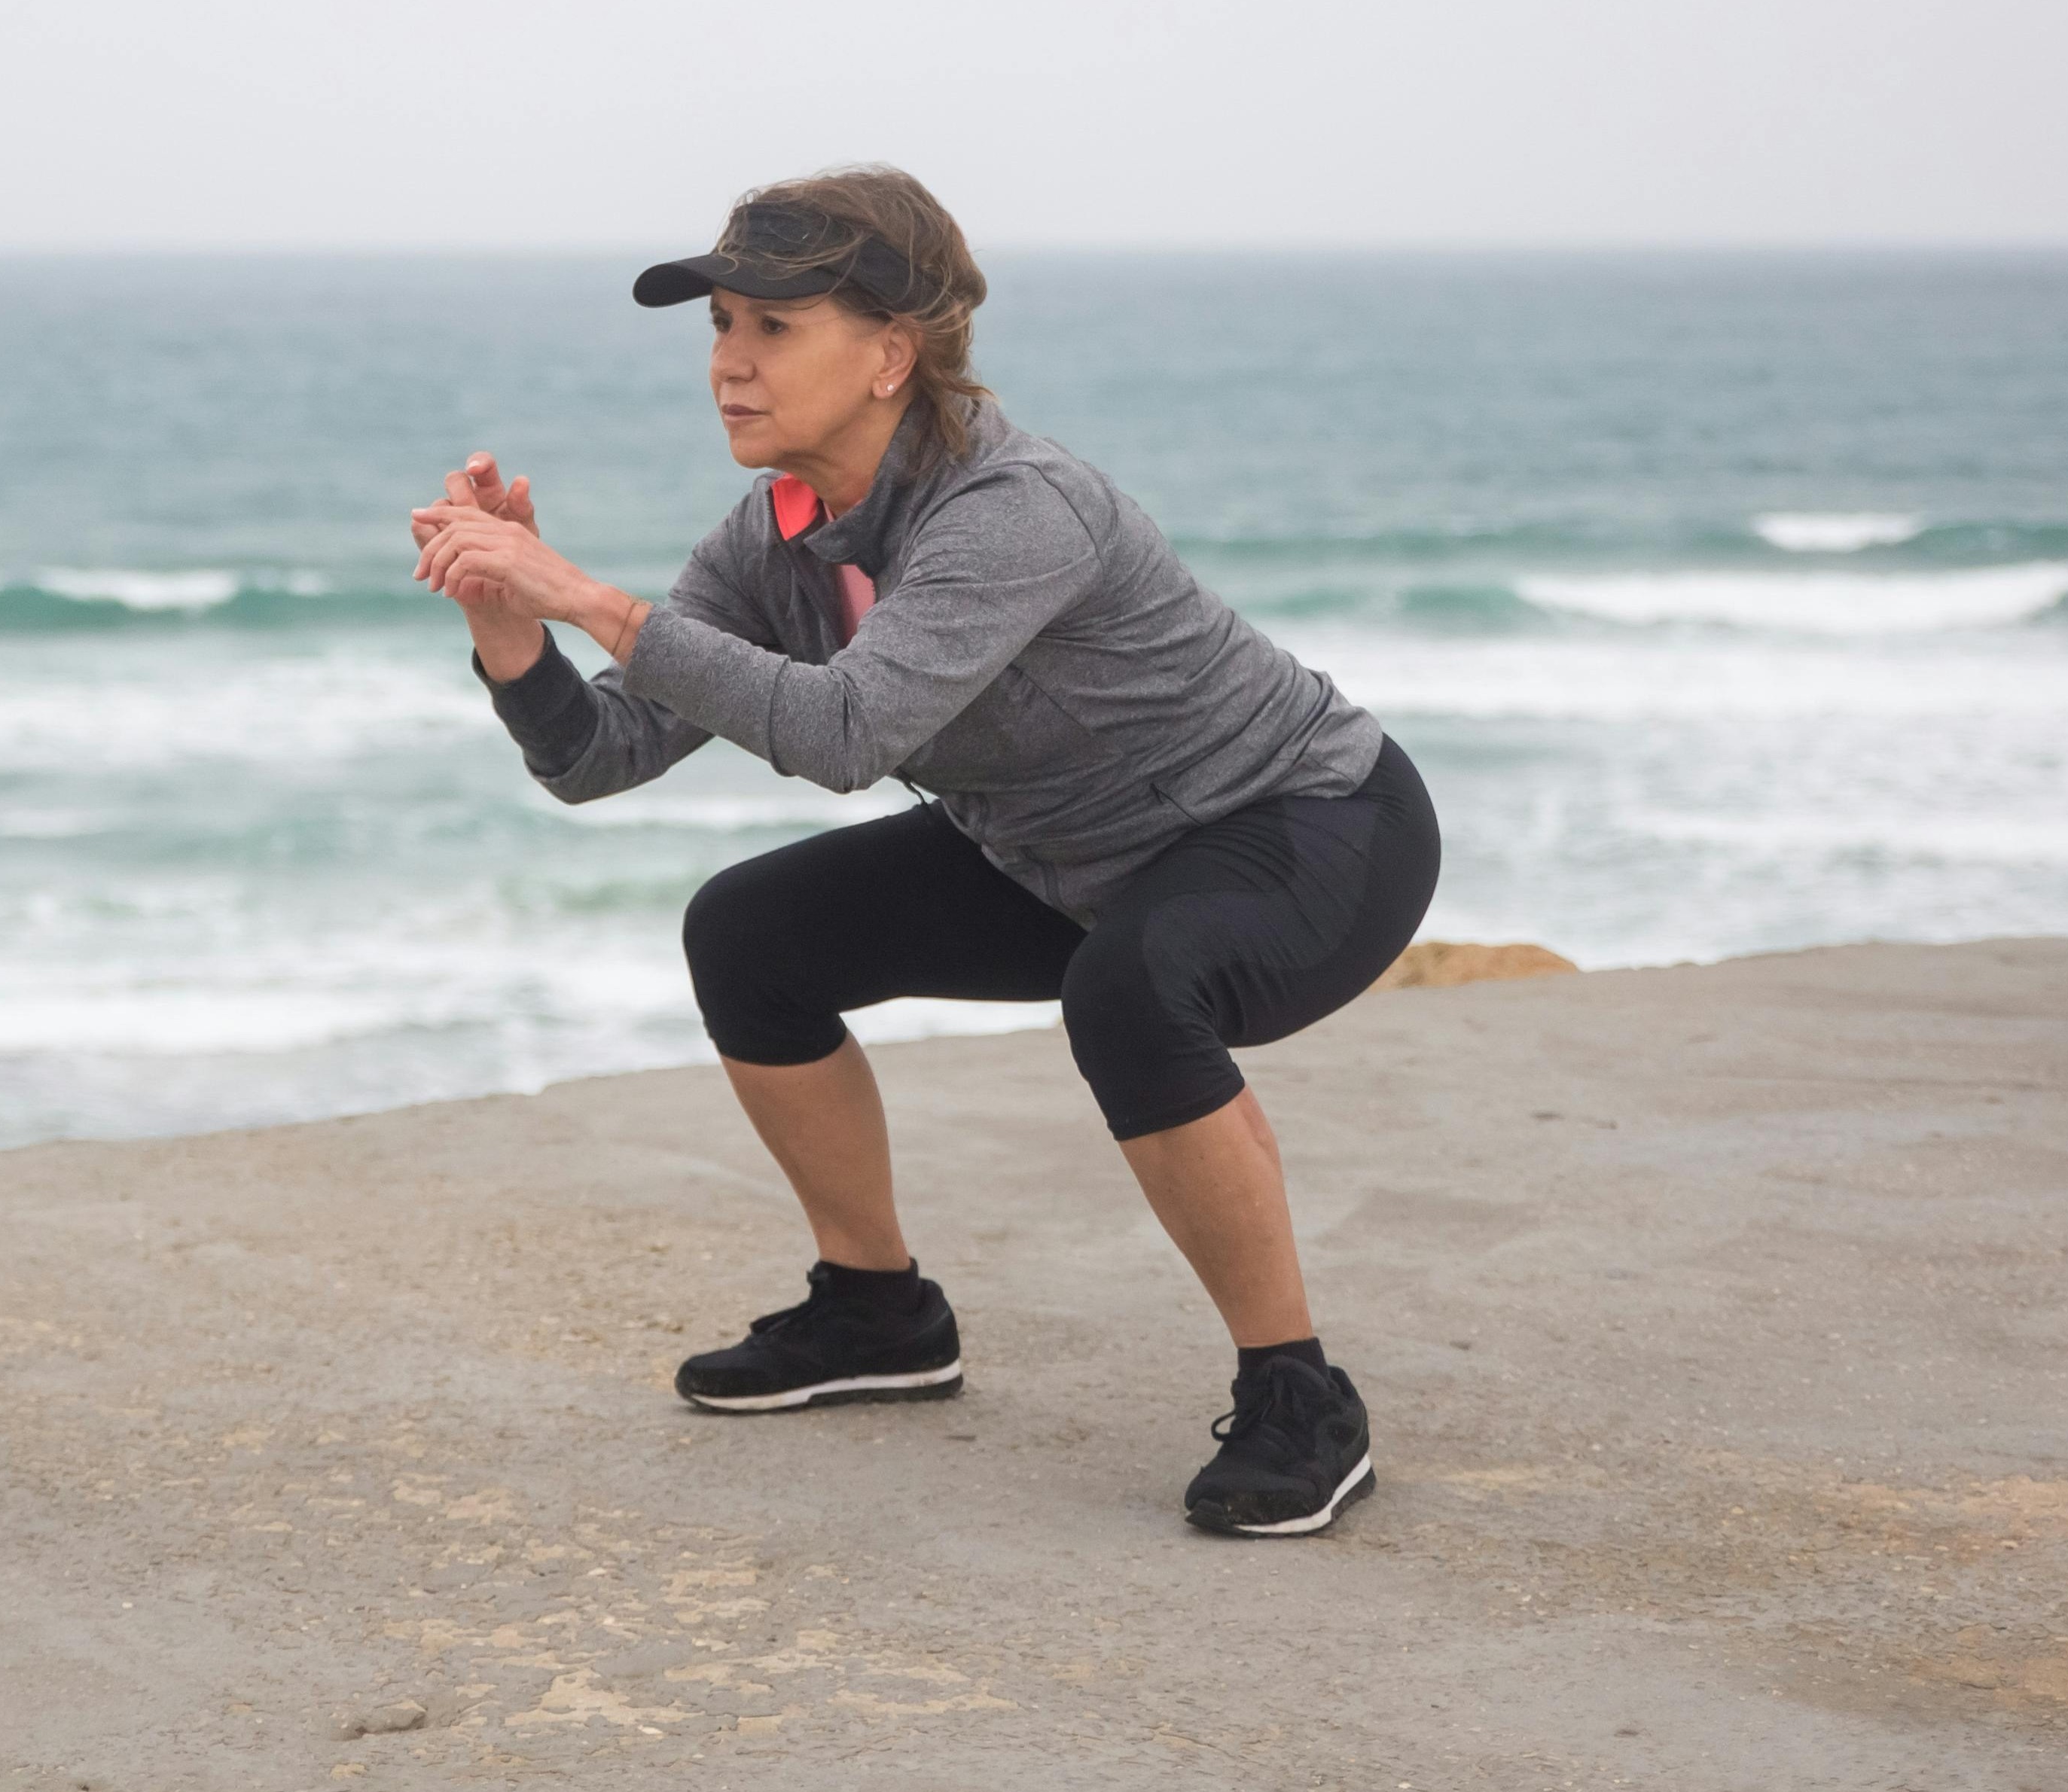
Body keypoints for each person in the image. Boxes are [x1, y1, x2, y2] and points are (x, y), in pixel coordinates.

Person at [407, 166, 1438, 1537]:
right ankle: (878, 1312)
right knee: (747, 935)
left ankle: (1299, 1396)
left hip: (1301, 827)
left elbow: (846, 732)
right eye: (721, 325)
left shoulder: (1011, 505)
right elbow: (598, 758)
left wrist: (591, 596)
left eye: (773, 328)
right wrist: (510, 628)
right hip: (1056, 853)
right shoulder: (775, 536)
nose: (727, 364)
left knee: (1131, 988)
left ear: (891, 354)